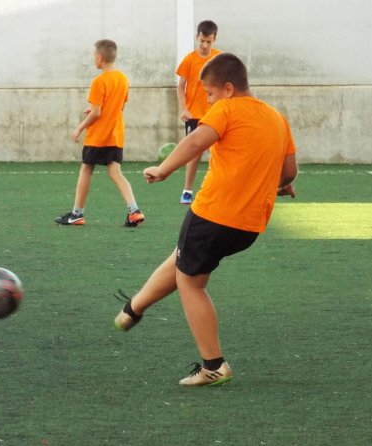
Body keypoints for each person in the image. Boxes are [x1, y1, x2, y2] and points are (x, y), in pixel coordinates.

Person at [114, 53, 298, 386]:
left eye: (210, 94)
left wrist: (163, 168)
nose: (208, 101)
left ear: (228, 89)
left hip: (214, 214)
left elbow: (197, 140)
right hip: (249, 227)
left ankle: (214, 365)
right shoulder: (276, 118)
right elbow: (288, 173)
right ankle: (133, 308)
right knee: (183, 260)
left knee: (191, 281)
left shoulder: (226, 109)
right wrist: (278, 187)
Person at [56, 39, 145, 227]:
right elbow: (117, 106)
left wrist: (80, 127)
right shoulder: (123, 79)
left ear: (100, 57)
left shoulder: (98, 81)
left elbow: (97, 112)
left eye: (93, 56)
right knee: (115, 171)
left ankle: (77, 214)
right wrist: (95, 110)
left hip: (99, 136)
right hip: (116, 134)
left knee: (86, 169)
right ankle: (134, 211)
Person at [175, 20, 221, 204]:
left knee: (218, 154)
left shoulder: (219, 59)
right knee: (194, 153)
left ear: (214, 40)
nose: (204, 45)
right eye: (201, 40)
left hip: (216, 114)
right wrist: (184, 108)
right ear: (197, 37)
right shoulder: (189, 59)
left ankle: (218, 190)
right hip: (194, 115)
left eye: (208, 41)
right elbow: (180, 86)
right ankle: (187, 191)